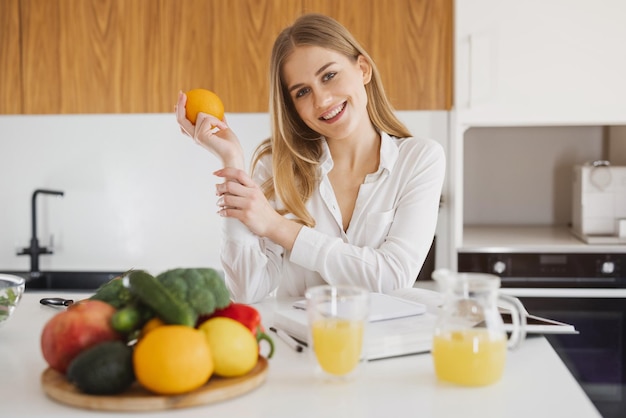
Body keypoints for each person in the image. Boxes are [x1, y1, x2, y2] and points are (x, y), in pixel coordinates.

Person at [175, 13, 445, 303]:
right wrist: (232, 161)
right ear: (293, 107)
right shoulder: (277, 167)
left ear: (363, 69)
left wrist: (278, 228)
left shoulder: (420, 159)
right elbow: (246, 291)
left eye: (329, 75)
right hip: (300, 347)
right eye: (302, 92)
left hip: (387, 348)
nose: (322, 100)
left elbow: (393, 277)